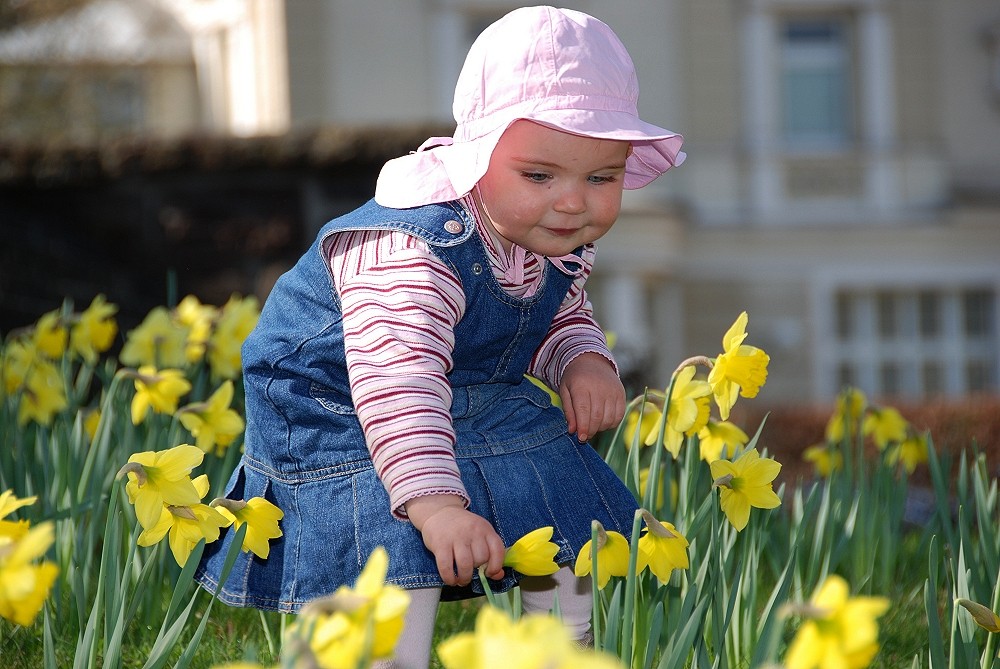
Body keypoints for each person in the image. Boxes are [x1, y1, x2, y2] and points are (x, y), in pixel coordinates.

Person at [196, 6, 685, 668]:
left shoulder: (546, 233)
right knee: (392, 557)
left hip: (462, 390)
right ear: (477, 156)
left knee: (567, 516)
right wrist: (435, 508)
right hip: (342, 415)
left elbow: (555, 312)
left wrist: (582, 358)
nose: (574, 201)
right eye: (540, 175)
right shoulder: (413, 251)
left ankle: (560, 653)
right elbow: (398, 383)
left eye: (601, 177)